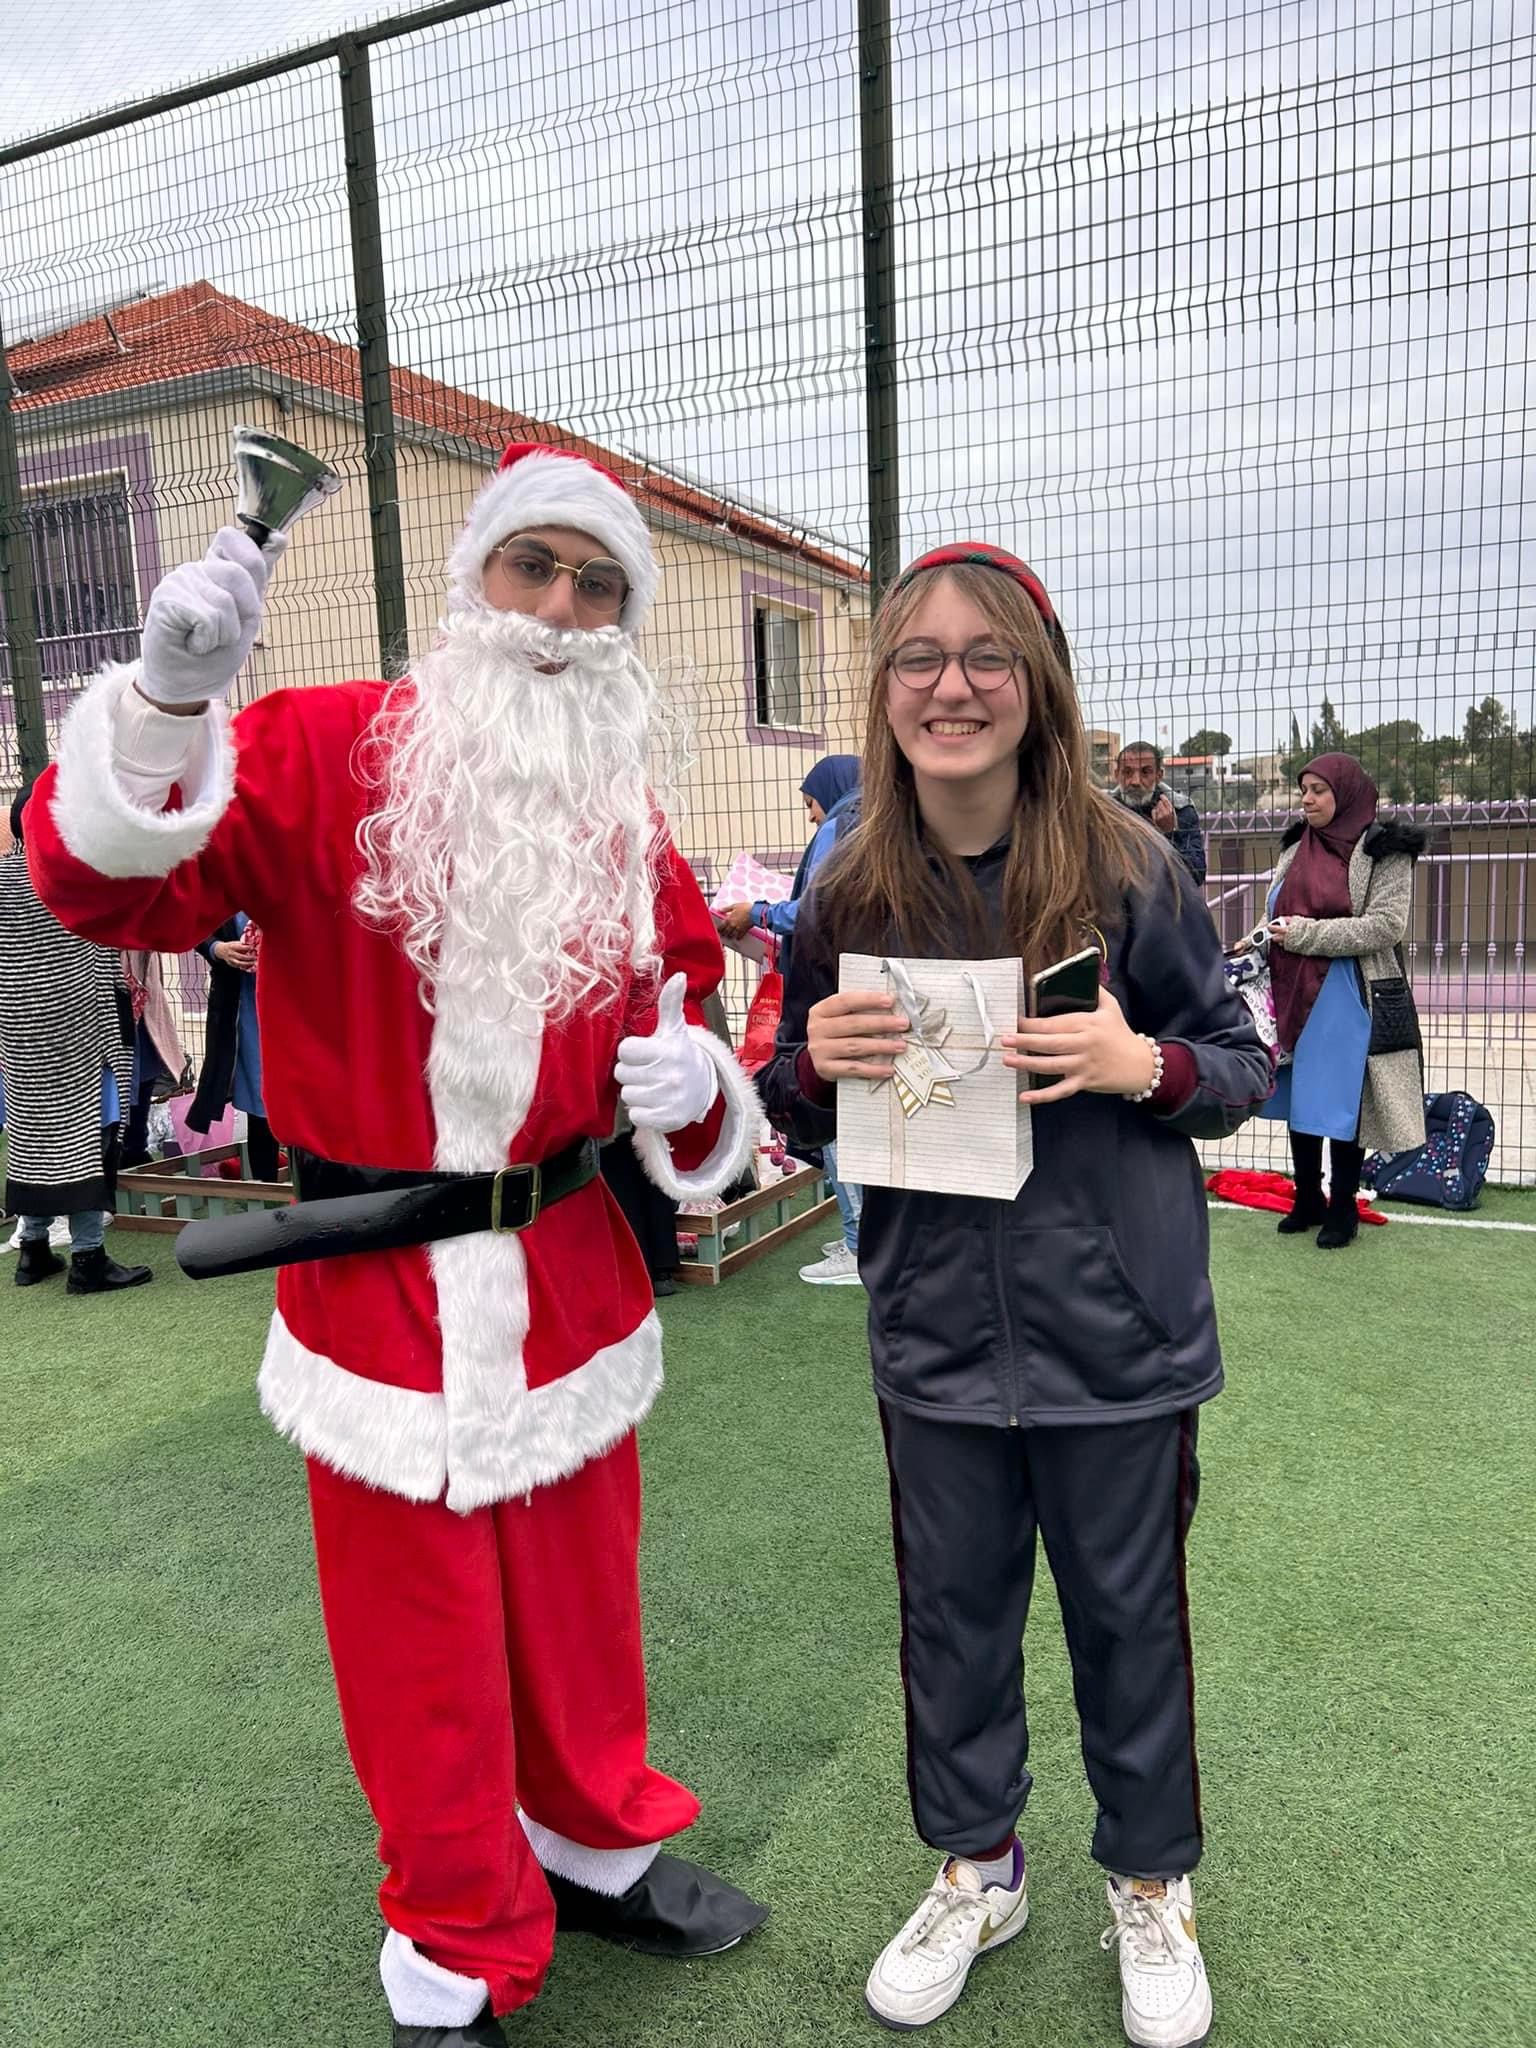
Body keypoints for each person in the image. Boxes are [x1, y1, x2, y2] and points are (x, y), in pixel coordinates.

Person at [23, 442, 767, 2047]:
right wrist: (161, 706)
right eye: (533, 567)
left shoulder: (621, 808)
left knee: (582, 1607)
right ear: (473, 578)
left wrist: (698, 1087)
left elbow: (689, 1006)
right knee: (420, 1649)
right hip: (376, 1293)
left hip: (569, 1274)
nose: (561, 609)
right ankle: (454, 1939)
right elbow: (100, 889)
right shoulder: (317, 750)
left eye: (599, 585)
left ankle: (594, 1850)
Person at [758, 541, 1272, 2048]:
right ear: (885, 689)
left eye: (986, 656)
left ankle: (1151, 1882)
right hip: (934, 1335)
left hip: (1117, 1335)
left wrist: (1140, 1062)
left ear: (1037, 682)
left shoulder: (1130, 868)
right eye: (920, 657)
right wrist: (809, 1067)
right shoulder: (847, 883)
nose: (954, 686)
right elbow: (791, 1087)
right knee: (954, 1623)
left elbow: (1236, 1066)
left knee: (1130, 1621)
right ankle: (979, 1869)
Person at [1260, 753, 1426, 1249]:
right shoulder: (1297, 846)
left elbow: (1386, 925)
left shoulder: (1384, 850)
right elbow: (1277, 909)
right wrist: (1262, 936)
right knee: (1301, 1091)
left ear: (1346, 792)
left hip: (1349, 989)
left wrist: (1305, 935)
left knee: (1341, 1098)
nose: (1307, 800)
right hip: (1292, 986)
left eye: (1318, 790)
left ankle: (1343, 1206)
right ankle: (1308, 1196)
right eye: (1303, 790)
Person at [0, 782, 152, 1294]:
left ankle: (33, 1250)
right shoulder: (80, 878)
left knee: (31, 1137)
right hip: (84, 1031)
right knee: (89, 1134)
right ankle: (88, 1256)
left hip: (20, 1036)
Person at [719, 754, 865, 1285]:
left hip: (829, 997)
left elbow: (816, 910)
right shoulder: (876, 824)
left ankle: (859, 1245)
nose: (811, 814)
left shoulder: (842, 825)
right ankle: (861, 1236)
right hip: (859, 989)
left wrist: (756, 912)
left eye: (810, 802)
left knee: (835, 1119)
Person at [189, 913, 282, 1180]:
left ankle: (311, 1190)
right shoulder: (225, 892)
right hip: (247, 1009)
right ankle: (266, 1191)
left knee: (306, 1104)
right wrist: (217, 949)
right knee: (260, 1107)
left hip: (296, 1007)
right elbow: (193, 923)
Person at [1110, 742, 1207, 885]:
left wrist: (1168, 835)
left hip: (1165, 897)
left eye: (1145, 772)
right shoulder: (1103, 811)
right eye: (1127, 772)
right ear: (1117, 775)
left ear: (1158, 775)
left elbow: (1196, 875)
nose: (1135, 781)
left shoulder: (1181, 809)